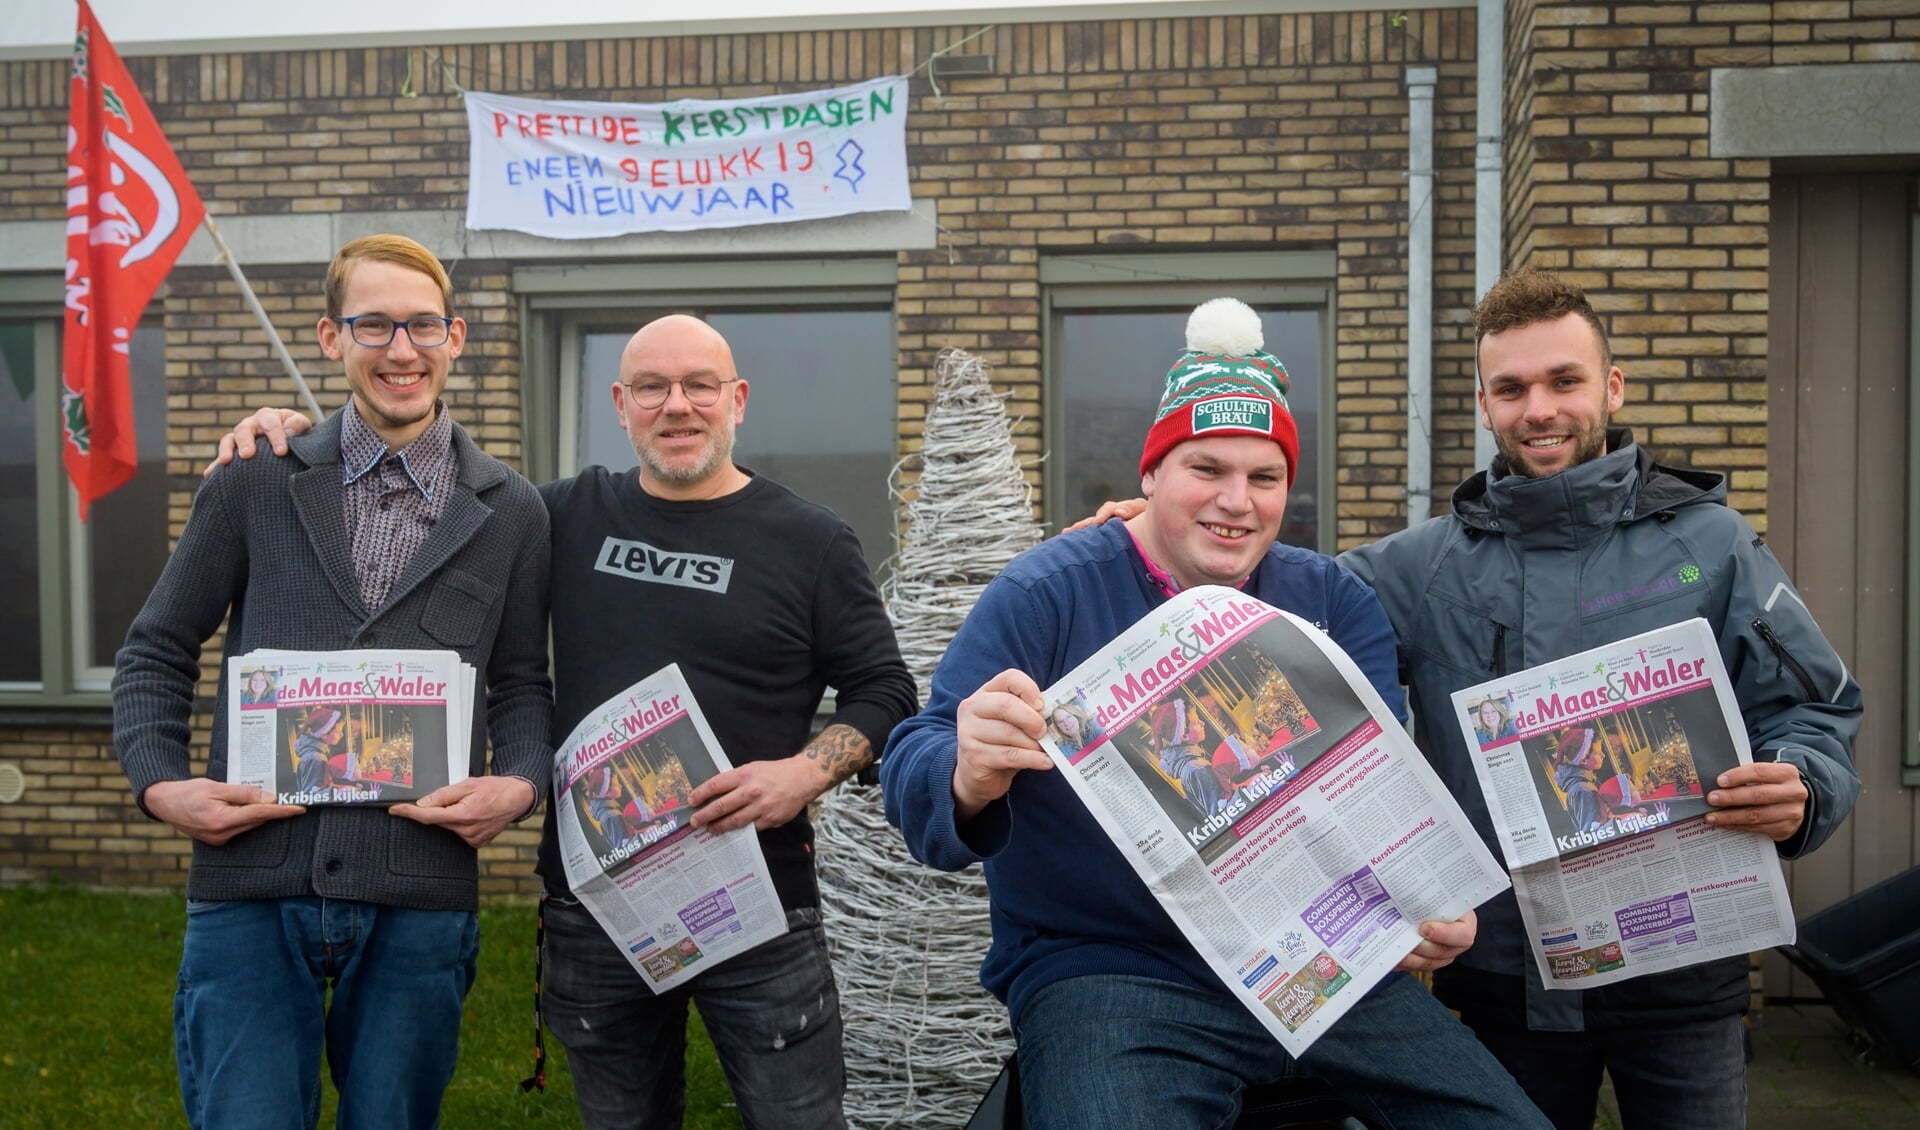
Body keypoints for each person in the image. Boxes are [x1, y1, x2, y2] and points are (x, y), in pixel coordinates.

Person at [213, 313, 918, 1129]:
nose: (677, 406)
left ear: (738, 400)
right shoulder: (562, 517)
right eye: (652, 387)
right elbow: (421, 493)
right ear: (621, 404)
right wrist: (300, 437)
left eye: (699, 386)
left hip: (758, 900)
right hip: (598, 905)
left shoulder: (813, 540)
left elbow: (887, 692)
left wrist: (802, 774)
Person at [882, 298, 1548, 1129]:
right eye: (1206, 468)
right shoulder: (1047, 591)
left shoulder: (1331, 599)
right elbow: (917, 753)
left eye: (1264, 477)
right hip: (1113, 971)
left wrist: (1414, 911)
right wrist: (965, 770)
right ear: (1151, 474)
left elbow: (1378, 797)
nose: (1237, 501)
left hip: (1320, 959)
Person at [1339, 268, 1864, 1130]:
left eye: (1564, 381)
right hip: (1503, 982)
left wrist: (1800, 782)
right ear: (1483, 404)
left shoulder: (1714, 543)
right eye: (1512, 388)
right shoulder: (1421, 567)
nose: (1538, 409)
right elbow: (1260, 612)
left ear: (1611, 387)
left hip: (1684, 978)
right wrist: (1158, 529)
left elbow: (1818, 708)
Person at [112, 234, 554, 1130]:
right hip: (251, 887)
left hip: (419, 894)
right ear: (329, 337)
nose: (402, 350)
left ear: (457, 337)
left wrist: (521, 781)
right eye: (375, 325)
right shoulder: (254, 482)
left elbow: (521, 685)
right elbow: (157, 647)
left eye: (424, 325)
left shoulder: (511, 512)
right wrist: (162, 787)